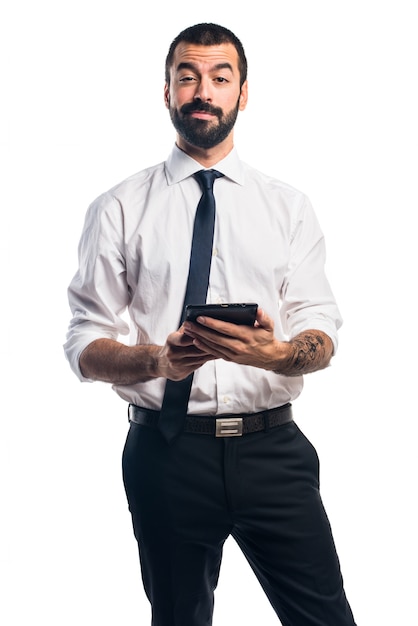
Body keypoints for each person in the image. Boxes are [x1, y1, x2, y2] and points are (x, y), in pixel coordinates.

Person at [64, 22, 356, 626]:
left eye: (220, 78)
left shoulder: (288, 206)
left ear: (243, 93)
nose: (204, 91)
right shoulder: (119, 207)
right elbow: (84, 342)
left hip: (273, 451)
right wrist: (156, 361)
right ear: (166, 91)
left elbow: (321, 332)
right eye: (188, 76)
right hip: (166, 452)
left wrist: (274, 355)